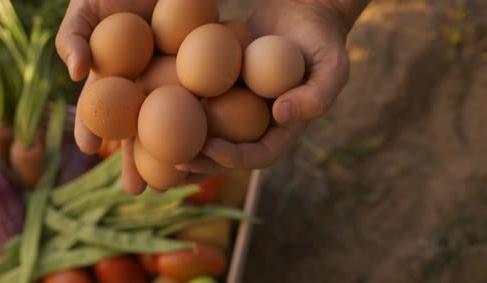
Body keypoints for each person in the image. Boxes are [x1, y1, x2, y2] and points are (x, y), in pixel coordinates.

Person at [55, 0, 370, 194]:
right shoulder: (176, 76)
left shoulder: (193, 69)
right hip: (188, 70)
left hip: (196, 68)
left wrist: (322, 4)